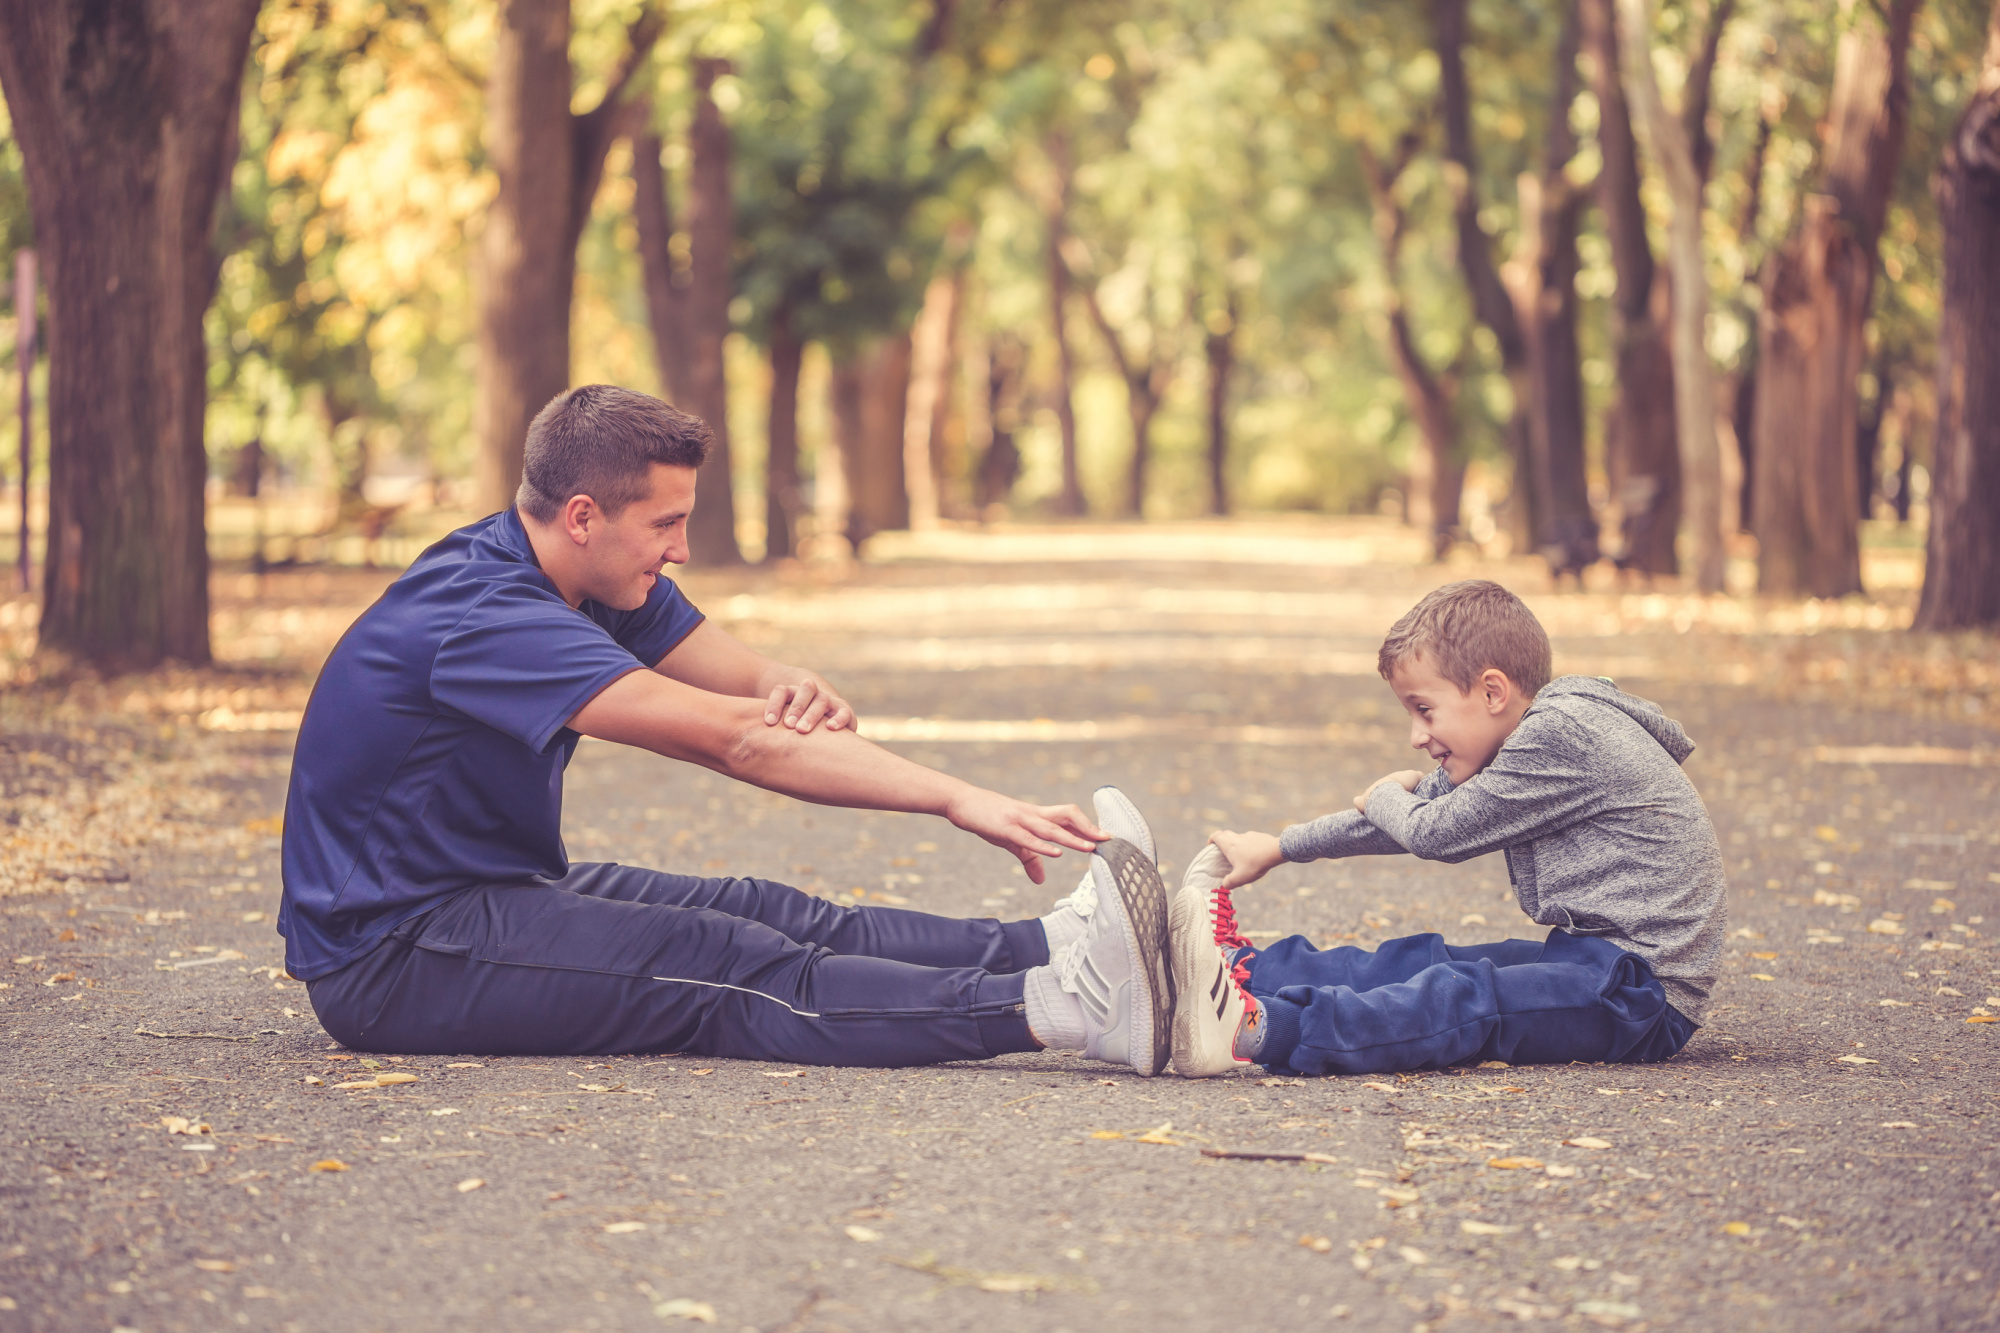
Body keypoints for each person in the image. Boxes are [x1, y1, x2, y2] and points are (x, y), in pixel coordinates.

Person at [279, 385, 1174, 1074]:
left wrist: (786, 682)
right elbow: (735, 738)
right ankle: (1067, 1003)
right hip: (392, 954)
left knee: (764, 909)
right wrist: (957, 798)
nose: (680, 548)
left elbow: (749, 689)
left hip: (485, 890)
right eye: (665, 523)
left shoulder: (574, 569)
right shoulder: (490, 614)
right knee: (726, 963)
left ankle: (1056, 942)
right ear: (584, 514)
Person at [1165, 579, 1725, 1078]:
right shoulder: (1520, 737)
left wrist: (1385, 796)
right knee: (1428, 960)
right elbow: (1415, 821)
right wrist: (1281, 846)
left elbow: (1434, 834)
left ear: (1491, 692)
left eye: (1424, 710)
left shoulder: (1558, 737)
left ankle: (1255, 1028)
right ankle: (1234, 971)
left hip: (1644, 994)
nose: (1415, 735)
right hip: (1592, 959)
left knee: (1466, 997)